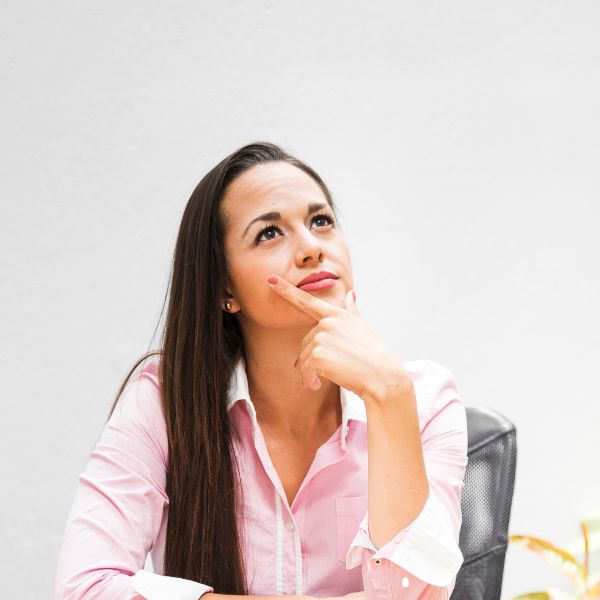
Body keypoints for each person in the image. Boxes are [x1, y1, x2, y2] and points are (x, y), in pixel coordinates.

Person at [54, 141, 469, 600]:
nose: (311, 248)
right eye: (269, 234)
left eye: (321, 221)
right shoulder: (165, 400)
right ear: (223, 287)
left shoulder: (420, 398)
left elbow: (417, 594)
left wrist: (388, 397)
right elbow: (85, 588)